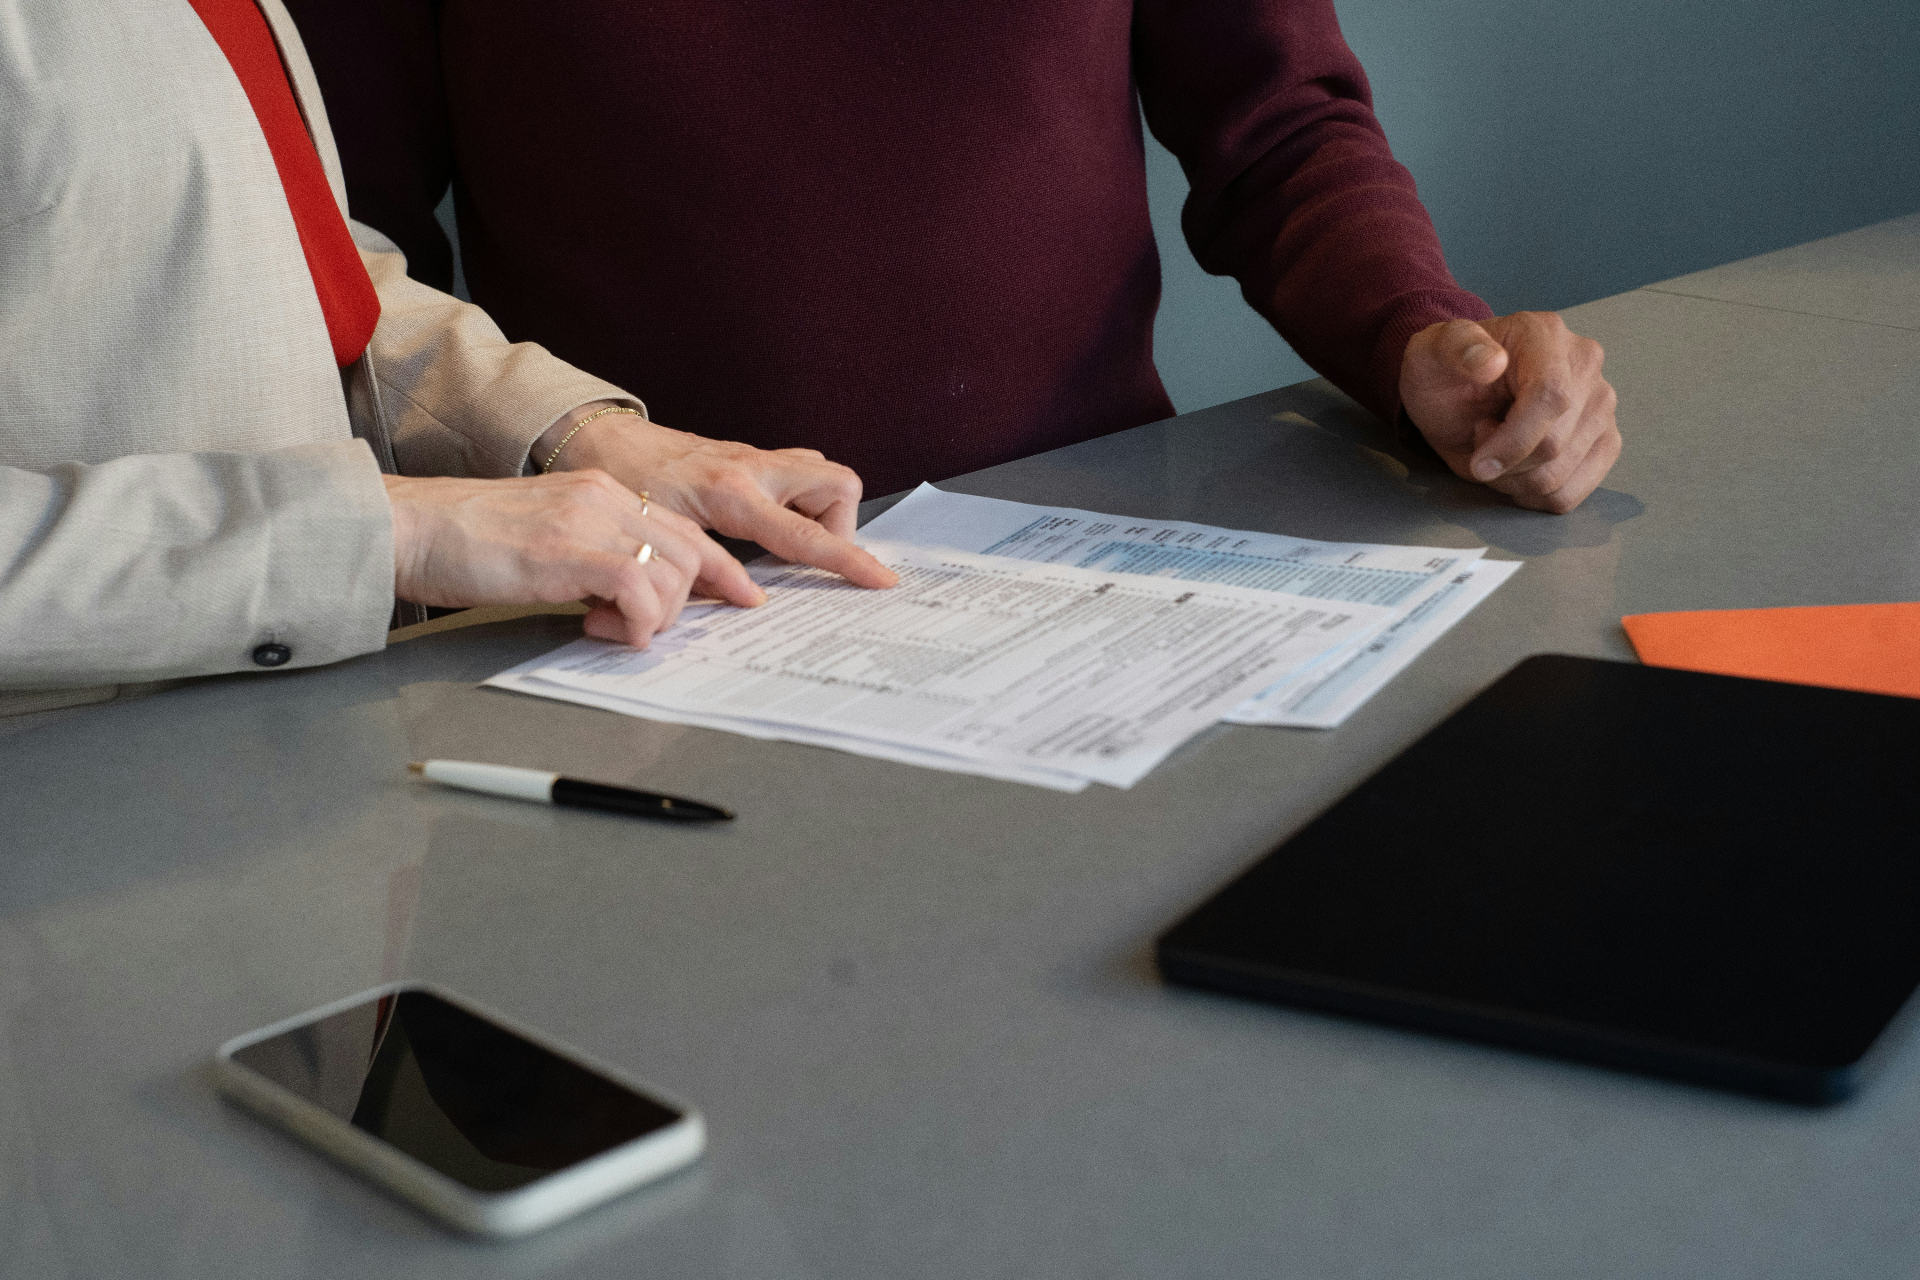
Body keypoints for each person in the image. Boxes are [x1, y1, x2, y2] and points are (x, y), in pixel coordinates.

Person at [287, 0, 1621, 516]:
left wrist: (1422, 337)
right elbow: (348, 248)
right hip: (641, 578)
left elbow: (1276, 131)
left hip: (1089, 556)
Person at [0, 0, 893, 722]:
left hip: (291, 743)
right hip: (75, 807)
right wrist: (396, 531)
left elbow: (274, 253)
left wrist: (567, 431)